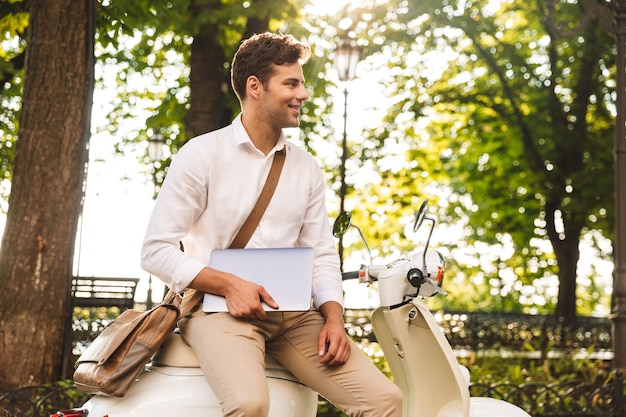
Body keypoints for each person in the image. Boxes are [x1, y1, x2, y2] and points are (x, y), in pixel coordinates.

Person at [141, 32, 403, 417]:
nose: (304, 94)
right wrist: (230, 285)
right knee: (249, 405)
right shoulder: (200, 156)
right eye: (292, 83)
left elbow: (321, 255)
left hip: (295, 315)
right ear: (255, 87)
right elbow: (155, 250)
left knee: (385, 401)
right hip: (217, 311)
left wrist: (334, 317)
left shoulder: (306, 168)